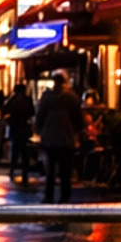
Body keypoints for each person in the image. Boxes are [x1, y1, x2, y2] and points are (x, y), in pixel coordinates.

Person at [35, 71, 81, 203]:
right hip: (67, 138)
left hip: (50, 138)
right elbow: (77, 118)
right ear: (65, 82)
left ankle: (49, 196)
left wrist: (40, 130)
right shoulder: (72, 98)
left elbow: (40, 116)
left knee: (50, 169)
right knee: (65, 170)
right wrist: (76, 132)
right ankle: (65, 196)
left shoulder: (47, 97)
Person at [4, 80, 37, 185]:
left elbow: (5, 111)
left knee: (15, 151)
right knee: (24, 152)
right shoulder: (27, 100)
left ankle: (12, 171)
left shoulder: (12, 100)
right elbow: (32, 112)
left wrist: (10, 121)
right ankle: (25, 174)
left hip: (15, 127)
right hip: (24, 127)